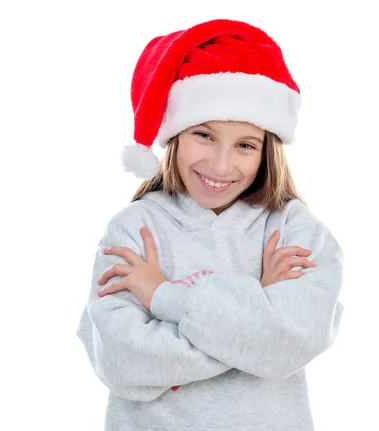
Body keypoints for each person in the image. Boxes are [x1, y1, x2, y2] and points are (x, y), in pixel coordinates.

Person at [75, 18, 345, 431]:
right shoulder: (134, 230)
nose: (221, 165)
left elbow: (293, 344)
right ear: (175, 135)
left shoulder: (296, 232)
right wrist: (259, 314)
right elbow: (122, 364)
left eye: (244, 145)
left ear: (267, 151)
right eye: (204, 134)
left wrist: (165, 296)